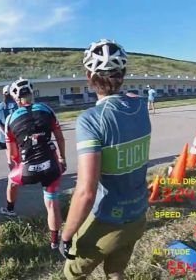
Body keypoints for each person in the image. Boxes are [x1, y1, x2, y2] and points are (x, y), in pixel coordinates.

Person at [59, 39, 151, 280]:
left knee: (72, 275)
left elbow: (86, 193)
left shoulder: (90, 120)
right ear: (123, 74)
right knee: (116, 271)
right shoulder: (140, 107)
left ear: (89, 77)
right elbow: (129, 97)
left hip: (107, 220)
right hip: (139, 213)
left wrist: (66, 235)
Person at [0, 78, 67, 249]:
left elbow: (12, 155)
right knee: (52, 204)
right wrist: (62, 159)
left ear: (16, 99)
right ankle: (54, 242)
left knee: (11, 181)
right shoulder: (47, 109)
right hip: (51, 166)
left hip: (27, 169)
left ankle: (10, 209)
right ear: (32, 93)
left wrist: (15, 166)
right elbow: (60, 138)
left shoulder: (10, 119)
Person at [0, 85, 18, 150]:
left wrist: (5, 133)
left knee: (9, 156)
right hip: (16, 137)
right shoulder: (17, 105)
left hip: (3, 139)